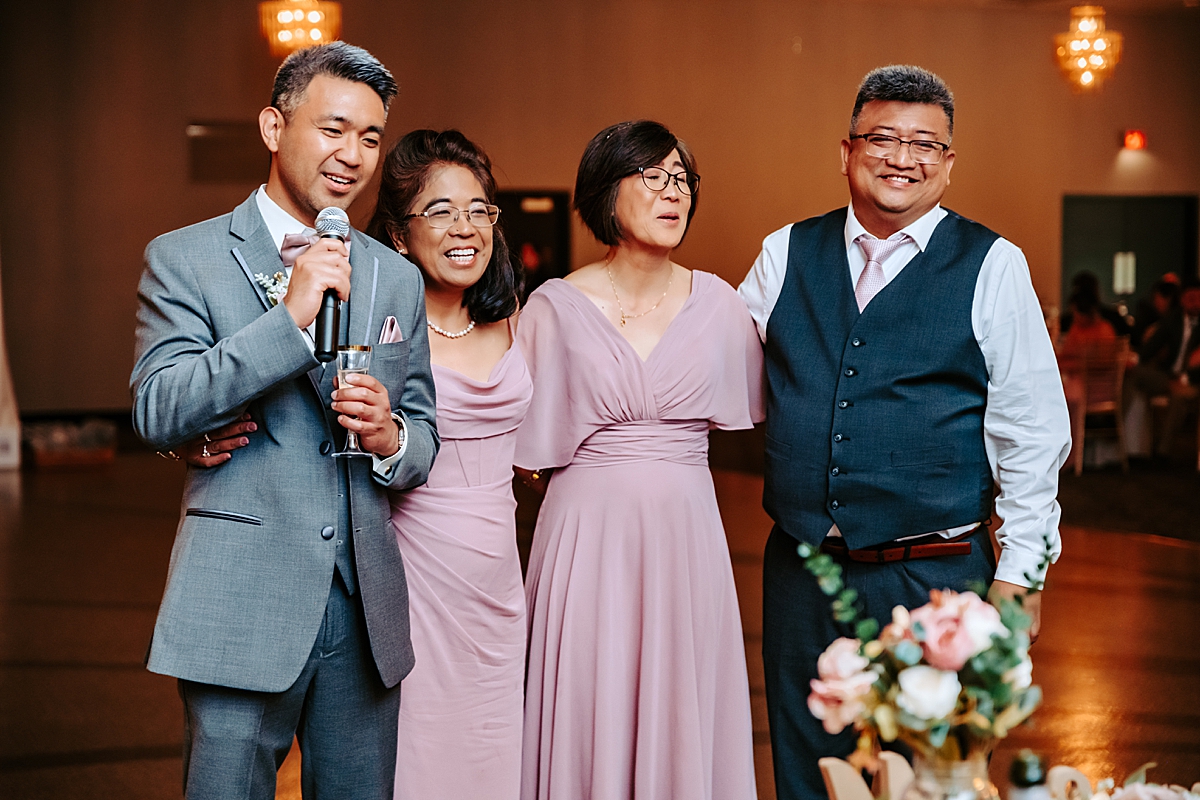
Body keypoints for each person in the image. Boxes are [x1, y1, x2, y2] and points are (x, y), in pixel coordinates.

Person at [738, 65, 1070, 800]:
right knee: (809, 772)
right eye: (883, 137)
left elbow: (1033, 433)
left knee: (934, 780)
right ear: (847, 150)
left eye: (926, 144)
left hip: (938, 579)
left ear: (948, 165)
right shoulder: (784, 253)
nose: (902, 157)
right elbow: (714, 375)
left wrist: (1022, 574)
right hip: (804, 570)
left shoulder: (994, 265)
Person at [129, 43, 438, 799]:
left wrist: (391, 436)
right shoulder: (187, 258)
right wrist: (292, 320)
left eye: (371, 137)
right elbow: (156, 405)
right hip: (241, 603)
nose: (354, 155)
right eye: (333, 129)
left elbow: (425, 430)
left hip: (364, 618)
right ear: (273, 127)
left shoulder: (394, 276)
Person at [514, 120, 762, 800]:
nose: (671, 191)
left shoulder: (720, 304)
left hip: (687, 534)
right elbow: (510, 437)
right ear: (604, 190)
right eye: (651, 176)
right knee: (589, 687)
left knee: (681, 692)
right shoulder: (554, 308)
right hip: (585, 536)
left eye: (681, 178)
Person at [364, 129, 530, 800]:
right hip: (415, 579)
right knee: (422, 764)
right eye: (439, 210)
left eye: (479, 209)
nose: (465, 228)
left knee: (496, 760)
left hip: (501, 583)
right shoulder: (379, 332)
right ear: (399, 236)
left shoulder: (516, 317)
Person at [1125, 281, 1200, 457]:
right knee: (1133, 374)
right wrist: (1135, 359)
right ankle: (1131, 445)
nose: (1195, 303)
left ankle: (1162, 452)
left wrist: (1186, 378)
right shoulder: (1173, 320)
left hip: (1194, 379)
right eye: (1191, 299)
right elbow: (1153, 346)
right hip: (1168, 376)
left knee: (1178, 398)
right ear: (1182, 300)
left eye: (1198, 299)